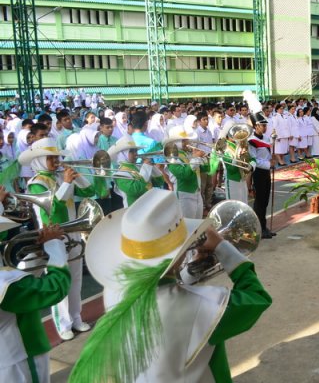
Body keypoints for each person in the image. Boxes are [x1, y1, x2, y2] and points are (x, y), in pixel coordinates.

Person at [72, 189, 272, 382]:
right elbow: (256, 297)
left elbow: (160, 289)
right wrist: (221, 246)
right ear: (179, 254)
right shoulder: (199, 306)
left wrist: (190, 271)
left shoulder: (113, 289)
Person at [19, 138, 95, 341]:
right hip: (52, 234)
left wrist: (77, 178)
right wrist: (68, 182)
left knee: (76, 277)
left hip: (73, 230)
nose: (55, 161)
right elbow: (54, 207)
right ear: (40, 160)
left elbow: (90, 192)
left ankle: (76, 317)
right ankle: (63, 323)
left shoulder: (62, 175)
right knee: (60, 278)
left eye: (56, 157)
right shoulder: (36, 183)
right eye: (50, 157)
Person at [0, 209, 71, 382]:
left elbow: (21, 281)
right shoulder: (5, 285)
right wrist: (54, 246)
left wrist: (38, 254)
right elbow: (56, 288)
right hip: (20, 356)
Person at [248, 113, 277, 239]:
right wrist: (268, 164)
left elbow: (267, 153)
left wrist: (272, 158)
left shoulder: (265, 138)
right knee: (259, 201)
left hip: (266, 171)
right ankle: (259, 227)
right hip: (258, 172)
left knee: (265, 200)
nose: (265, 128)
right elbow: (253, 160)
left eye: (265, 125)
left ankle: (264, 226)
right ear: (256, 126)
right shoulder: (251, 141)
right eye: (262, 125)